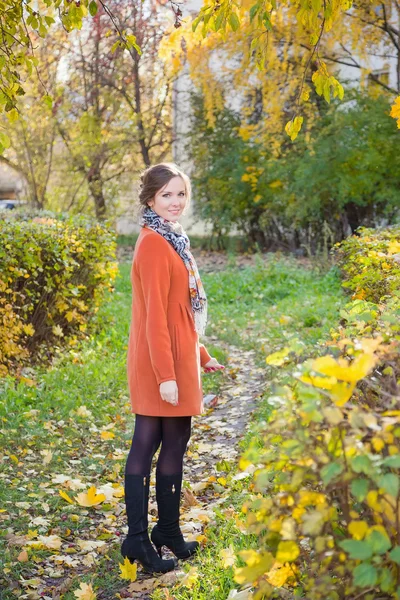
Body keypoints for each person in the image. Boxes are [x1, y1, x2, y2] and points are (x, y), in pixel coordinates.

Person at [121, 162, 225, 575]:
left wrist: (200, 355)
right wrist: (166, 376)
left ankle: (166, 531)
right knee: (146, 443)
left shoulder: (173, 239)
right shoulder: (152, 244)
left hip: (176, 359)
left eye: (181, 194)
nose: (175, 202)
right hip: (157, 363)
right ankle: (136, 539)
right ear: (150, 199)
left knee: (177, 439)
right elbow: (153, 321)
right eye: (167, 195)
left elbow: (177, 310)